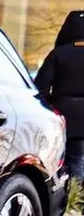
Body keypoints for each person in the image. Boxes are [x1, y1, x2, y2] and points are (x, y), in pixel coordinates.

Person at [35, 10, 84, 181]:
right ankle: (77, 195)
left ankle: (68, 196)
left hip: (62, 117)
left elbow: (40, 87)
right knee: (79, 161)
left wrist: (49, 105)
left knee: (61, 162)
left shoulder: (58, 54)